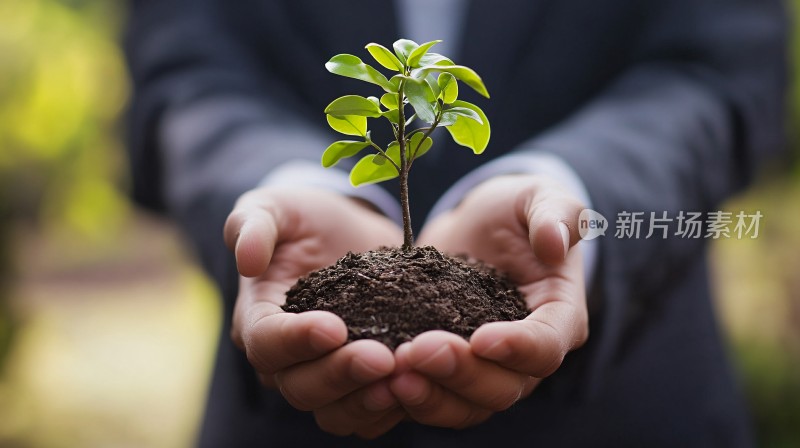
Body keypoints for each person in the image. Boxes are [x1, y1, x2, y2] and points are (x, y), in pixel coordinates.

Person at [124, 0, 787, 446]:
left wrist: (568, 190)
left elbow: (719, 69)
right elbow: (186, 73)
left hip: (630, 411)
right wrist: (289, 187)